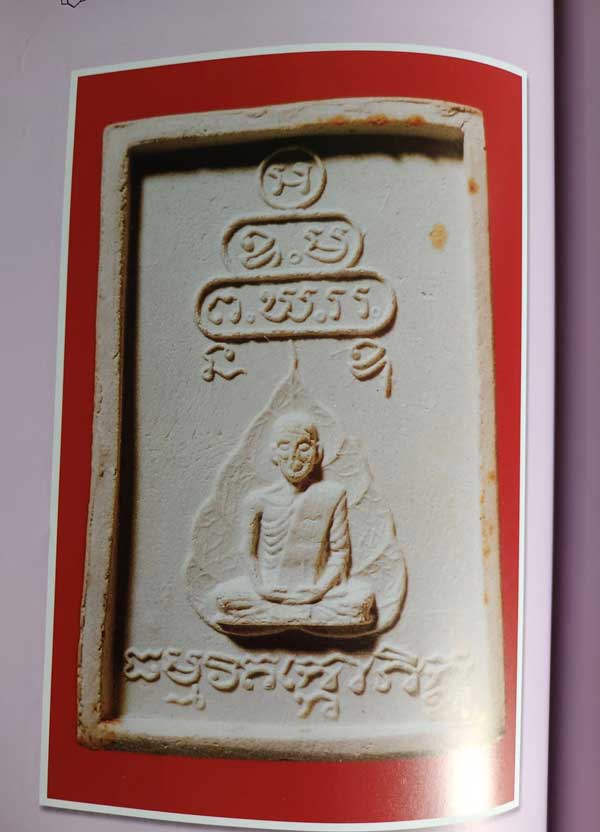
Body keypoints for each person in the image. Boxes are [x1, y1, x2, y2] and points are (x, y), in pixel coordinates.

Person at [210, 412, 375, 635]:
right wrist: (262, 589)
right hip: (269, 590)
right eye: (285, 447)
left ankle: (283, 614)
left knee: (360, 602)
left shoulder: (332, 495)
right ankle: (297, 614)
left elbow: (339, 552)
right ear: (274, 453)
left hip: (316, 591)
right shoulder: (257, 500)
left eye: (304, 447)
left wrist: (318, 590)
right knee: (224, 598)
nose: (294, 457)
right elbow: (248, 552)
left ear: (317, 452)